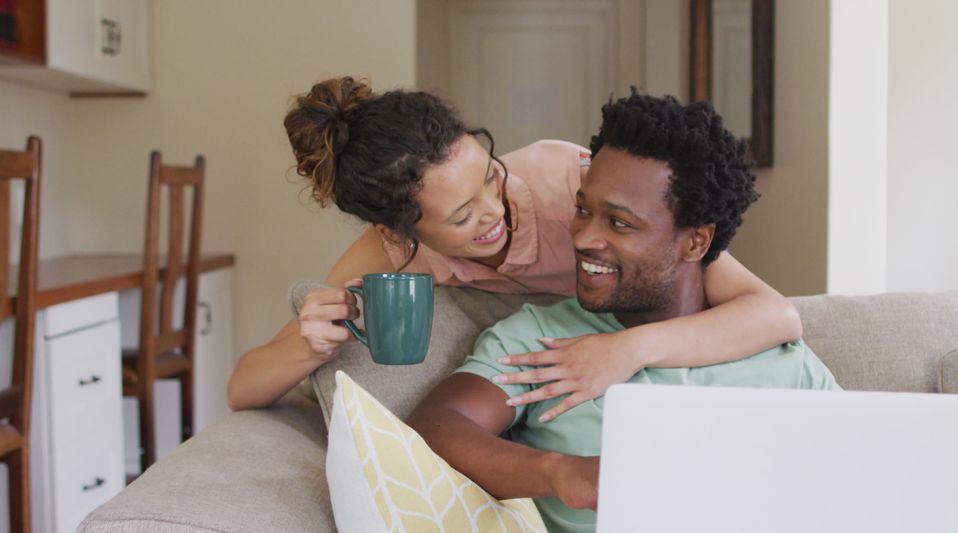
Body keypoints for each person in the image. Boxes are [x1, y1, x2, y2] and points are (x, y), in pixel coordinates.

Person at [406, 91, 842, 533]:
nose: (583, 237)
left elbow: (861, 480)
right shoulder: (540, 341)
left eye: (618, 222)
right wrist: (562, 474)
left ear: (695, 241)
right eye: (582, 209)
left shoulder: (781, 358)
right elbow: (436, 428)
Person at [226, 77, 803, 415]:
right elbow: (241, 388)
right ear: (398, 231)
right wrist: (308, 345)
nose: (492, 211)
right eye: (461, 215)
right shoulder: (392, 257)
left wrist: (629, 350)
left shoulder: (567, 182)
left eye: (489, 175)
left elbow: (774, 312)